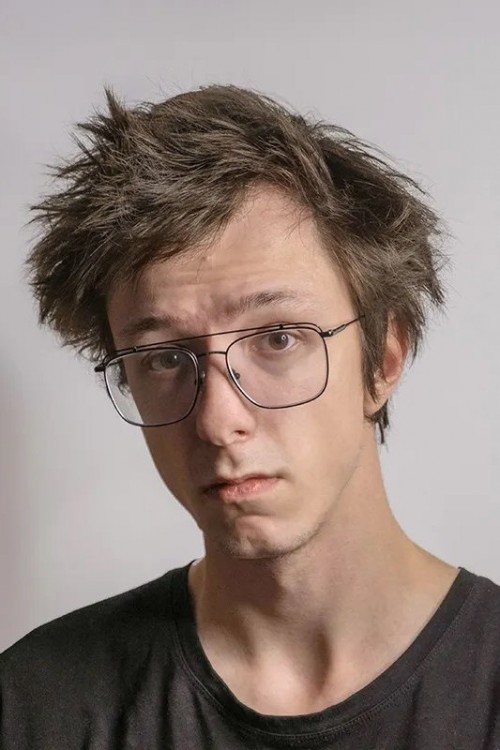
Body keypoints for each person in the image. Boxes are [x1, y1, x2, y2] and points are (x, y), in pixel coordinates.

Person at [1, 84, 499, 749]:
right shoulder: (36, 706)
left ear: (382, 359)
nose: (217, 420)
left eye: (278, 339)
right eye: (164, 358)